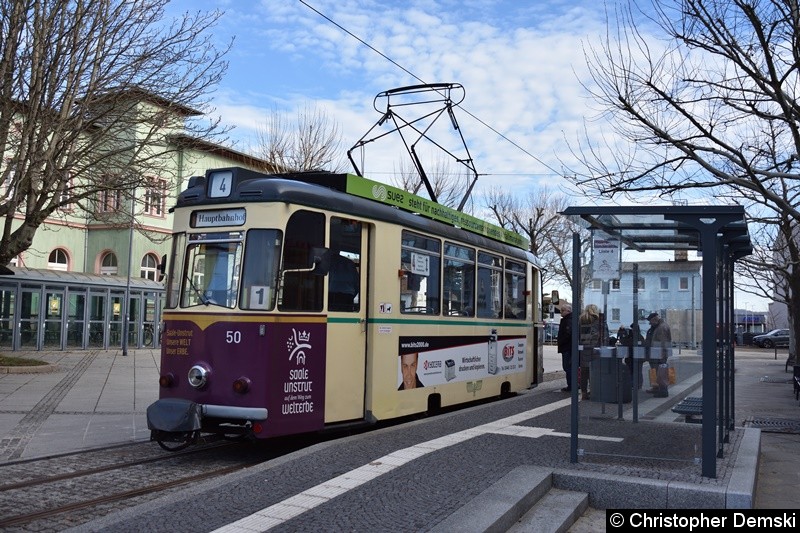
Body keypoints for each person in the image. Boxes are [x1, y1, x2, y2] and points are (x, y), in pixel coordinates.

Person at [578, 304, 607, 400]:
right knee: (594, 371)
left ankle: (584, 393)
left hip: (584, 349)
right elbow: (604, 335)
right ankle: (593, 391)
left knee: (584, 372)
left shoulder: (580, 320)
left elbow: (577, 335)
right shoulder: (599, 321)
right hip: (596, 349)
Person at [644, 312, 672, 397]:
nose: (650, 323)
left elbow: (663, 342)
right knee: (654, 371)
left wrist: (662, 354)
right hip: (655, 353)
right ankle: (656, 387)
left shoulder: (661, 328)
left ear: (655, 320)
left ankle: (662, 391)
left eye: (650, 321)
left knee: (660, 372)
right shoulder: (657, 327)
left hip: (658, 354)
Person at [556, 303, 574, 392]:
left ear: (568, 311)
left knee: (567, 367)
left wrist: (561, 342)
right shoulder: (568, 319)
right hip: (568, 347)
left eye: (562, 310)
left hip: (567, 348)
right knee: (568, 367)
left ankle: (571, 385)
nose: (561, 312)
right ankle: (571, 385)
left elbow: (568, 334)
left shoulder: (568, 320)